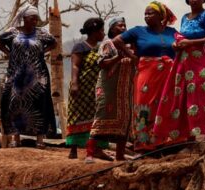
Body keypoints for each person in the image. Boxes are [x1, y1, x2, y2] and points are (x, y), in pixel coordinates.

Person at [113, 1, 178, 151]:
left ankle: (167, 143)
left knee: (167, 106)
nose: (146, 16)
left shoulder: (172, 32)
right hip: (147, 74)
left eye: (150, 13)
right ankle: (144, 144)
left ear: (161, 16)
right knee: (145, 106)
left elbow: (182, 45)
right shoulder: (139, 31)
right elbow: (117, 41)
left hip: (169, 76)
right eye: (145, 14)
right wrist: (133, 56)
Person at [154, 0, 205, 146]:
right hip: (184, 61)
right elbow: (182, 37)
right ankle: (189, 137)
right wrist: (176, 45)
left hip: (201, 61)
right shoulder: (184, 17)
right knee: (184, 95)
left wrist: (190, 43)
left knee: (203, 95)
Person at [0, 6, 58, 148]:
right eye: (32, 18)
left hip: (38, 77)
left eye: (37, 18)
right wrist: (9, 53)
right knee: (15, 103)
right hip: (16, 75)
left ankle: (40, 139)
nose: (35, 21)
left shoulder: (42, 33)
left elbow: (54, 43)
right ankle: (16, 139)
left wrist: (43, 51)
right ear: (24, 18)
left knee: (40, 104)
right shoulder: (12, 33)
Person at [87, 17, 135, 163]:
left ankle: (120, 155)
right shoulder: (108, 44)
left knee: (124, 120)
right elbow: (102, 64)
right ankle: (90, 153)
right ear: (112, 29)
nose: (123, 27)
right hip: (108, 88)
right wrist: (118, 58)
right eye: (120, 25)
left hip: (125, 90)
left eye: (124, 25)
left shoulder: (130, 45)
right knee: (101, 116)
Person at [66, 18, 109, 160]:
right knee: (77, 116)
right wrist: (74, 83)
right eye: (102, 30)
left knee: (97, 117)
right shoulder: (80, 47)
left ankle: (97, 148)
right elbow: (75, 66)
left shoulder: (102, 47)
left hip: (96, 89)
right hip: (81, 87)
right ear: (94, 32)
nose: (104, 33)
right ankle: (73, 149)